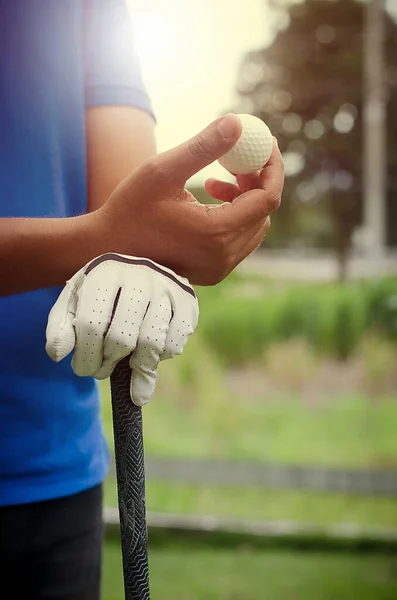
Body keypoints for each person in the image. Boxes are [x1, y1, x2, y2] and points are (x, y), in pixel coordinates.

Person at [0, 1, 284, 599]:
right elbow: (110, 230)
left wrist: (153, 252)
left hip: (57, 471)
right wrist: (102, 237)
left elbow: (128, 216)